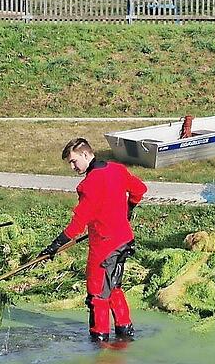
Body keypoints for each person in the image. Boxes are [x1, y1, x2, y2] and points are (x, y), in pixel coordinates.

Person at [39, 138, 147, 343]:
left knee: (97, 295)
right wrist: (129, 209)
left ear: (86, 155)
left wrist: (54, 246)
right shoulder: (117, 169)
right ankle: (125, 332)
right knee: (113, 287)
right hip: (124, 240)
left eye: (73, 161)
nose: (72, 167)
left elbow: (78, 224)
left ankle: (100, 343)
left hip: (104, 247)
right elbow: (139, 189)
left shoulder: (89, 184)